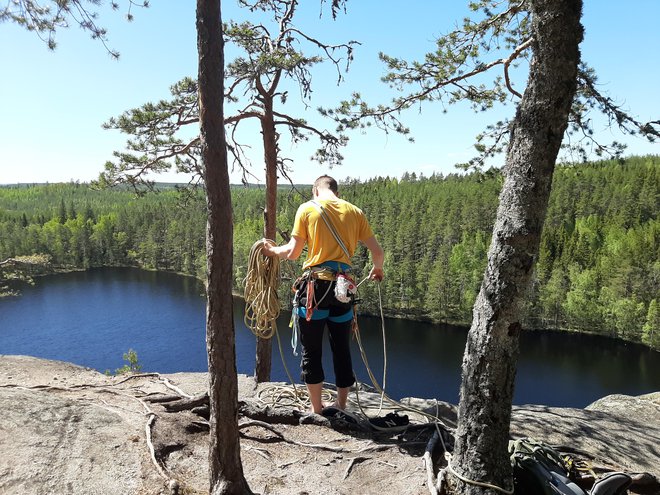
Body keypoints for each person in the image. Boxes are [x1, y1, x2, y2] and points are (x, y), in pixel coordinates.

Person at [262, 175, 384, 414]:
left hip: (315, 289)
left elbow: (293, 252)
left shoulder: (307, 208)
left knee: (312, 350)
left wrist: (270, 250)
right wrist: (377, 269)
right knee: (341, 349)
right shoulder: (355, 212)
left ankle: (316, 409)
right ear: (336, 192)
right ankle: (340, 405)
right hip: (343, 289)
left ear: (315, 190)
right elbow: (377, 252)